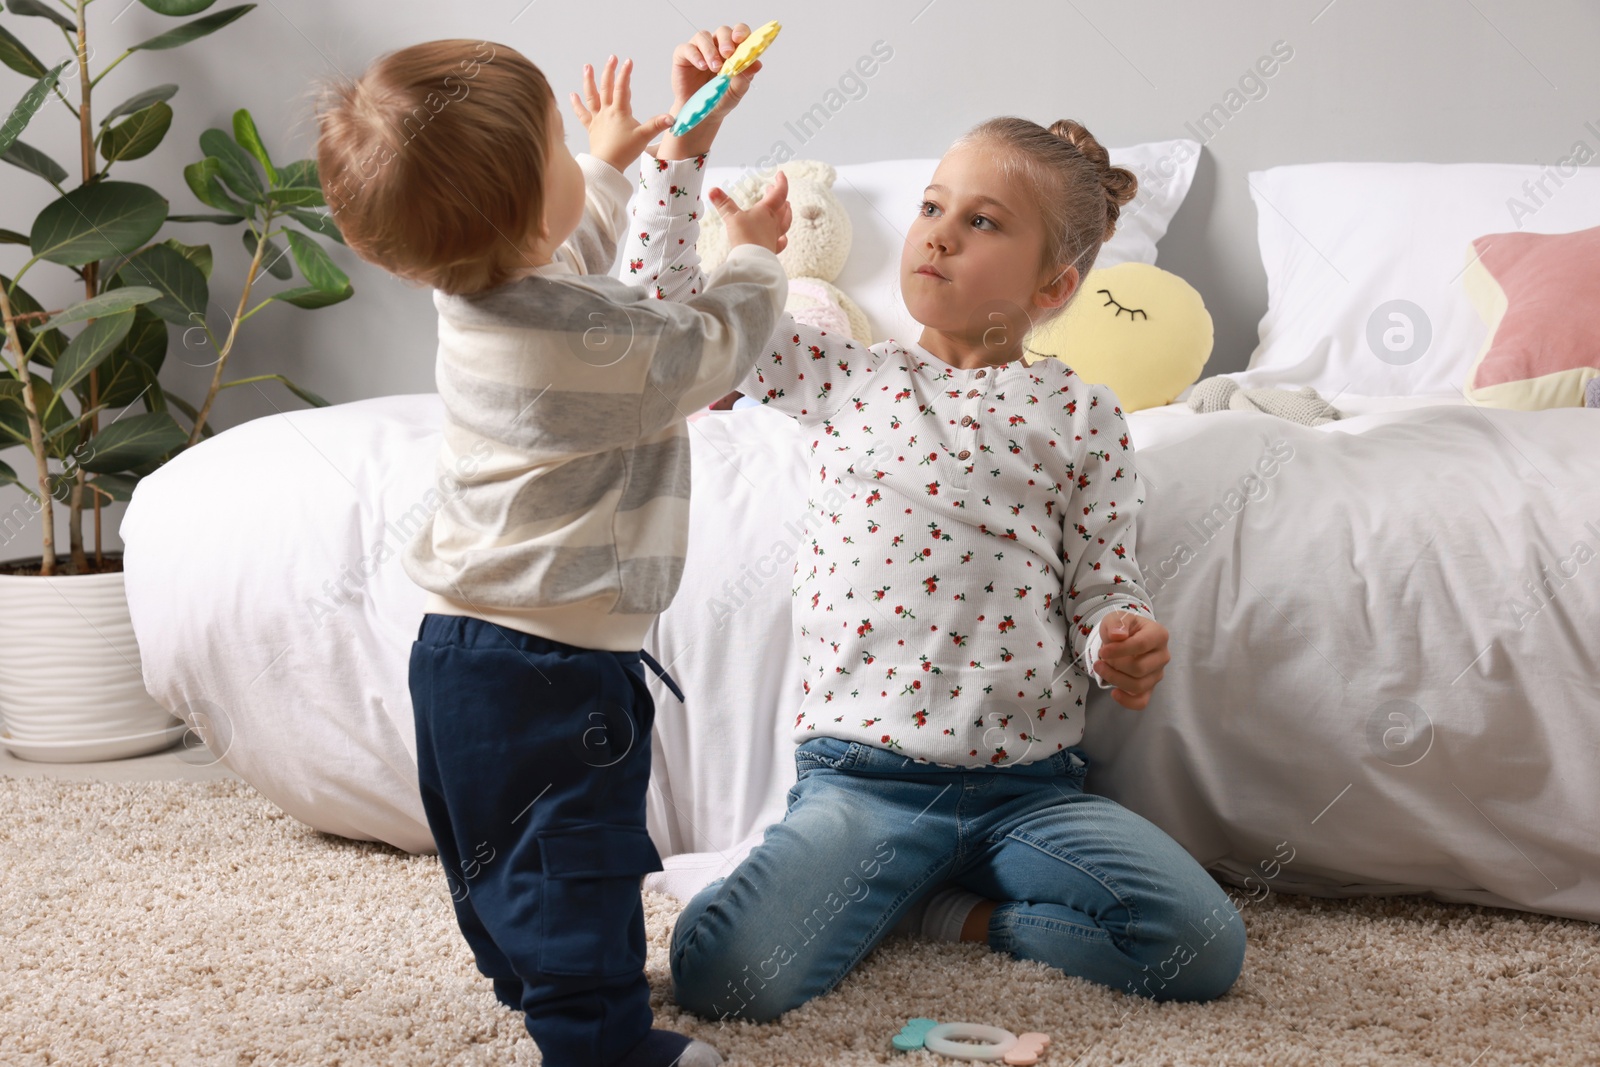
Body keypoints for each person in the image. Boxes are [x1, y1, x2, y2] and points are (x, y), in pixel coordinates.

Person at [623, 115, 1247, 1024]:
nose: (940, 232)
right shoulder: (841, 374)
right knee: (719, 970)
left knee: (1202, 946)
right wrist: (686, 155)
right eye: (931, 206)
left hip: (1027, 789)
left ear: (1056, 284)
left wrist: (1121, 634)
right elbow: (667, 314)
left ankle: (940, 913)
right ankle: (880, 883)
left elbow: (1103, 580)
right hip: (864, 781)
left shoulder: (1083, 413)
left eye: (984, 221)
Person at [313, 28, 791, 1067]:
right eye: (561, 151)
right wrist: (753, 253)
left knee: (498, 850)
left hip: (459, 650)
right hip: (554, 664)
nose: (581, 161)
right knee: (577, 854)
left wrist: (632, 150)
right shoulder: (579, 339)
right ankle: (597, 1038)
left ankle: (538, 978)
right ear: (531, 207)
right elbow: (710, 346)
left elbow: (569, 241)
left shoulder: (474, 291)